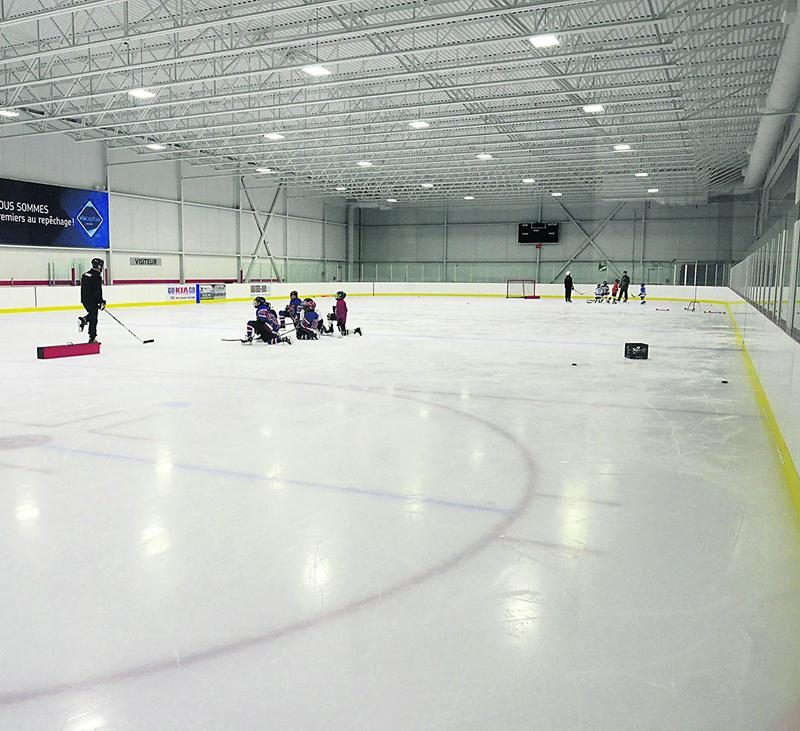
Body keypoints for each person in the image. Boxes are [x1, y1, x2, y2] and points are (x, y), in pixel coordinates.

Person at [78, 258, 106, 344]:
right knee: (94, 319)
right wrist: (101, 301)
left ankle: (85, 319)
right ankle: (92, 338)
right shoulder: (97, 276)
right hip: (92, 300)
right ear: (99, 266)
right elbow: (97, 290)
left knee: (92, 315)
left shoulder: (85, 274)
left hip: (84, 299)